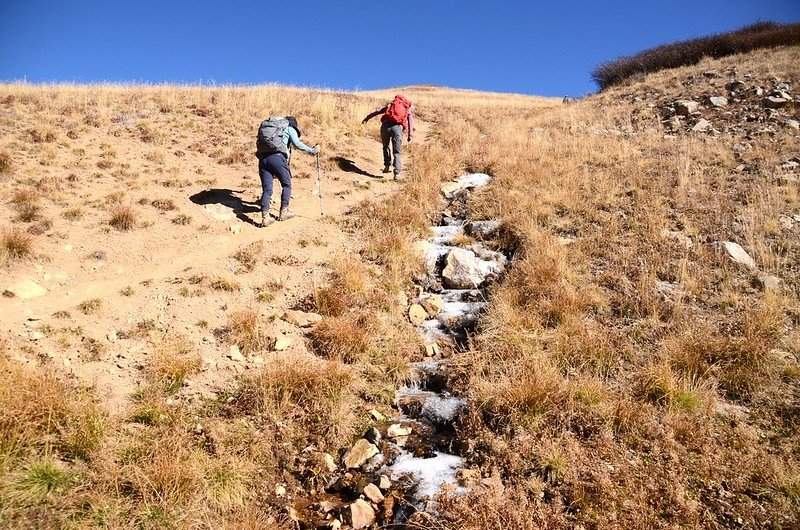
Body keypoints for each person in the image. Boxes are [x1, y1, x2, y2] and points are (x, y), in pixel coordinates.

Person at [256, 116, 319, 227]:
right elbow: (297, 144)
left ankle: (265, 218)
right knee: (286, 185)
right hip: (278, 158)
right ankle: (284, 212)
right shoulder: (289, 128)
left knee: (267, 189)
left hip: (262, 158)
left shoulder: (270, 128)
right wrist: (312, 150)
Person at [362, 95, 414, 179]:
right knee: (396, 152)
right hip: (397, 128)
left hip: (385, 126)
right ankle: (396, 174)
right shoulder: (406, 108)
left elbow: (378, 111)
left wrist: (367, 118)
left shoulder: (391, 105)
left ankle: (387, 166)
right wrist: (410, 135)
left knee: (385, 146)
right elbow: (410, 122)